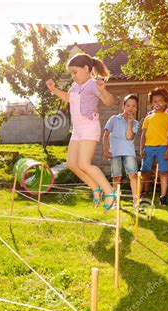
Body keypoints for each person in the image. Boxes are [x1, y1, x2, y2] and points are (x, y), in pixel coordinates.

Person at [46, 53, 116, 211]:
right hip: (77, 130)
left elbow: (110, 102)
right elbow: (67, 98)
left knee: (84, 164)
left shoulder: (93, 84)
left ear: (86, 68)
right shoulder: (75, 86)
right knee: (72, 164)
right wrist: (54, 89)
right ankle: (94, 187)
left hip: (89, 127)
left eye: (74, 72)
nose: (73, 75)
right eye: (71, 72)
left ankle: (110, 192)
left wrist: (103, 90)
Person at [103, 94, 140, 210]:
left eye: (134, 106)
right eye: (128, 105)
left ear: (136, 109)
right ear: (123, 106)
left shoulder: (135, 123)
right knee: (116, 177)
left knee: (133, 175)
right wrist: (105, 149)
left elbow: (129, 137)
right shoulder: (114, 119)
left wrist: (129, 122)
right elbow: (106, 135)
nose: (131, 108)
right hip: (115, 152)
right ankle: (115, 203)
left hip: (129, 152)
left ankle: (136, 203)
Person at [140, 87, 168, 206]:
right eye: (154, 101)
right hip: (148, 148)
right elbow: (143, 135)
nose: (157, 103)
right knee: (144, 172)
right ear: (151, 103)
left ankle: (163, 197)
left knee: (163, 173)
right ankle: (139, 195)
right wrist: (141, 149)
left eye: (160, 101)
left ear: (165, 102)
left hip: (162, 148)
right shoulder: (148, 118)